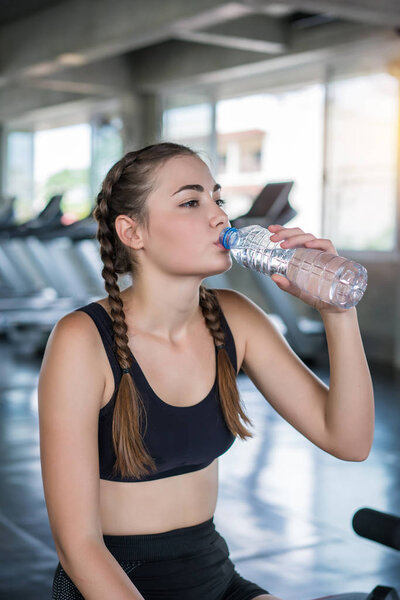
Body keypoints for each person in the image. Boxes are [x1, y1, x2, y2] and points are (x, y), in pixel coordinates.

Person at [38, 142, 374, 600]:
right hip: (114, 580)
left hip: (213, 575)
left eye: (218, 200)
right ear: (132, 232)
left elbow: (350, 441)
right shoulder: (81, 340)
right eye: (191, 202)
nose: (219, 216)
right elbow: (78, 547)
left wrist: (337, 310)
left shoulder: (235, 317)